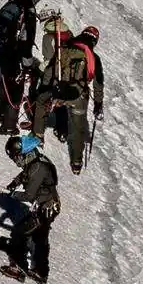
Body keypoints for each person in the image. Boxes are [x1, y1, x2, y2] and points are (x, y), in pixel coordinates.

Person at [31, 22, 105, 174]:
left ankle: (38, 137)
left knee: (40, 103)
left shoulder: (64, 48)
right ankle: (76, 163)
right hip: (78, 96)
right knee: (78, 129)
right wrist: (98, 104)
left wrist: (44, 89)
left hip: (57, 91)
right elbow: (98, 84)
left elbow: (50, 71)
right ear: (94, 41)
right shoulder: (93, 57)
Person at [0, 134, 59, 284]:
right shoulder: (34, 160)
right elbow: (25, 173)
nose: (15, 161)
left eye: (15, 157)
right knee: (37, 237)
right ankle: (39, 271)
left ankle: (21, 267)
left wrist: (13, 194)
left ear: (22, 154)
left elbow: (29, 194)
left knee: (22, 233)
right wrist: (14, 182)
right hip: (44, 205)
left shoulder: (38, 167)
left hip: (46, 208)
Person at [0, 0, 43, 133]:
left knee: (6, 81)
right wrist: (27, 63)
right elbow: (26, 41)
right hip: (14, 55)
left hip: (1, 51)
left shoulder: (13, 3)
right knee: (16, 89)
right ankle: (9, 126)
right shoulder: (29, 12)